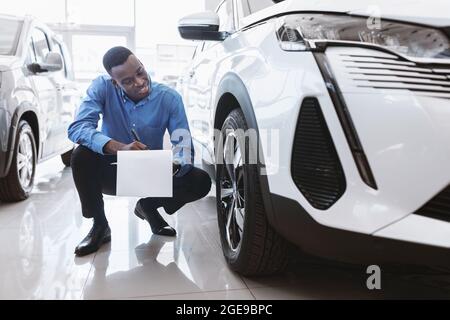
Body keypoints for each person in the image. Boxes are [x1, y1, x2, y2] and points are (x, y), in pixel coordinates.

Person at [68, 46, 211, 257]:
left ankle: (148, 207)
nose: (139, 82)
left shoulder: (170, 98)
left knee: (200, 180)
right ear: (114, 83)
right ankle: (100, 225)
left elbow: (183, 145)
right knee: (81, 155)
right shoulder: (102, 87)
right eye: (127, 81)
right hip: (112, 171)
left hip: (150, 174)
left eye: (140, 72)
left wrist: (176, 164)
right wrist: (119, 147)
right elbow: (78, 127)